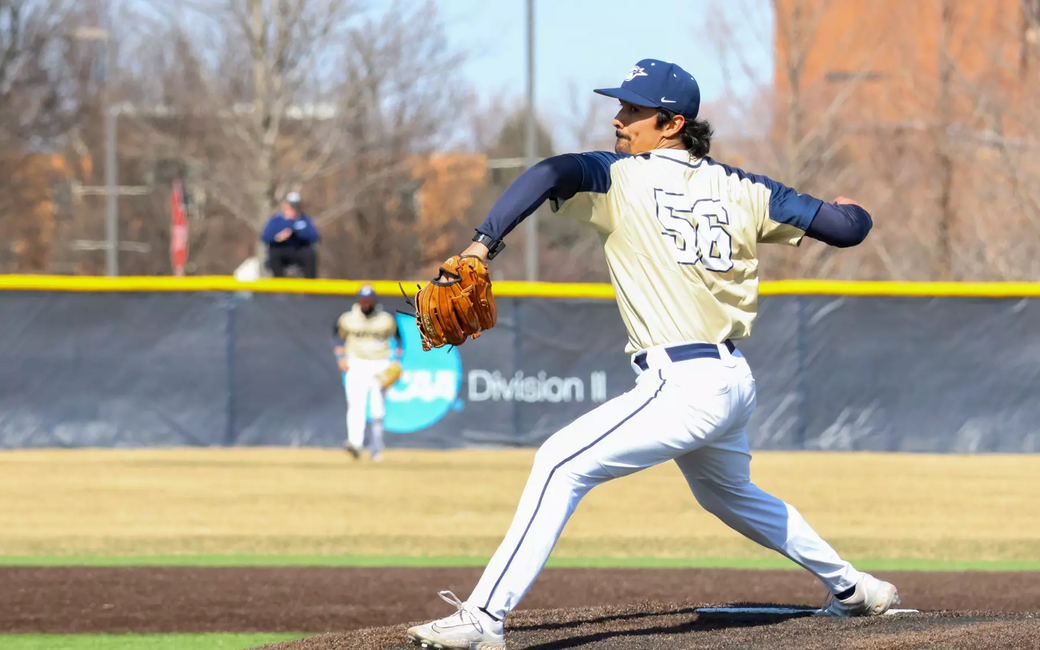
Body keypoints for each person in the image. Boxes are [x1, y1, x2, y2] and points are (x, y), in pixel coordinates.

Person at [406, 59, 897, 649]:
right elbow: (845, 229)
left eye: (634, 110)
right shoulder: (746, 189)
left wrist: (483, 244)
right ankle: (854, 590)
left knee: (560, 463)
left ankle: (483, 620)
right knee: (729, 495)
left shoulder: (623, 178)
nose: (618, 119)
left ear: (672, 123)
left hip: (683, 383)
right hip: (730, 379)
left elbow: (548, 172)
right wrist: (857, 209)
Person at [333, 285, 402, 462]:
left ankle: (376, 449)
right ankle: (355, 445)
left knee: (378, 410)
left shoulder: (385, 318)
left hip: (380, 364)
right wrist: (340, 356)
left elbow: (399, 339)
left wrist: (397, 361)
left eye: (368, 299)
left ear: (374, 300)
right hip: (356, 363)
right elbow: (336, 335)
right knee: (356, 406)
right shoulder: (348, 318)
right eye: (362, 299)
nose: (365, 303)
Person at [261, 191, 320, 278]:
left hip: (299, 249)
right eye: (291, 206)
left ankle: (310, 286)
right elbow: (265, 237)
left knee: (310, 254)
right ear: (285, 206)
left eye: (296, 206)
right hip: (281, 249)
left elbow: (314, 236)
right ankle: (278, 285)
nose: (294, 210)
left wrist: (297, 233)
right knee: (274, 254)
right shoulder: (276, 221)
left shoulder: (304, 220)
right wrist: (278, 237)